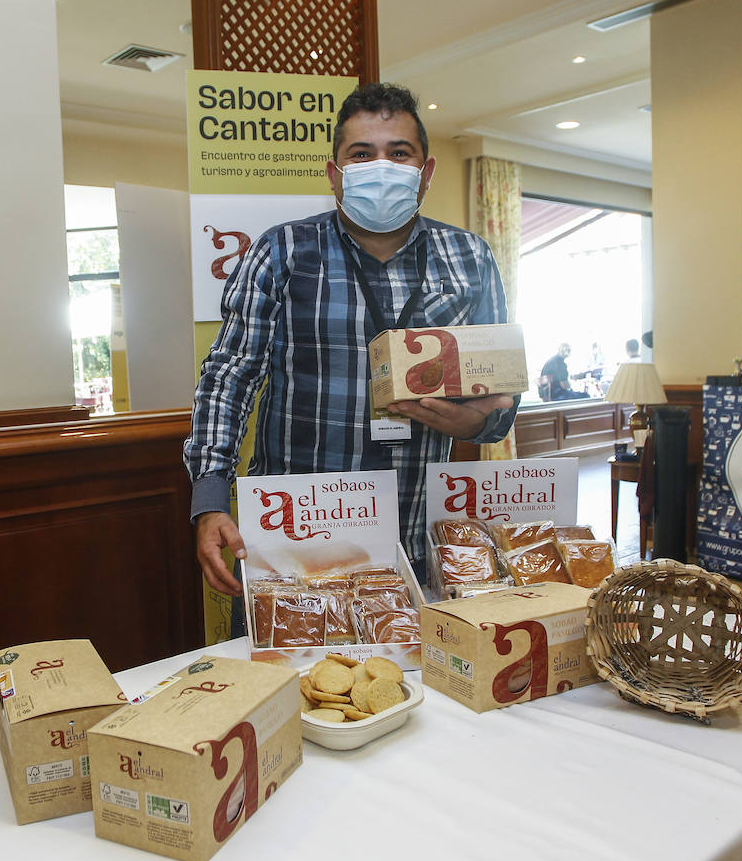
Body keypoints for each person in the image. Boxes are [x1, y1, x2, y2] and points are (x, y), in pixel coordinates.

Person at [184, 82, 518, 602]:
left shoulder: (469, 256)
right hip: (296, 532)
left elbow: (501, 385)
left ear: (425, 172)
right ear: (335, 173)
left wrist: (479, 421)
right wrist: (210, 498)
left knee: (404, 677)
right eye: (362, 154)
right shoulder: (283, 250)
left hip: (416, 533)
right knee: (288, 676)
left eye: (398, 153)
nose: (380, 166)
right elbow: (230, 375)